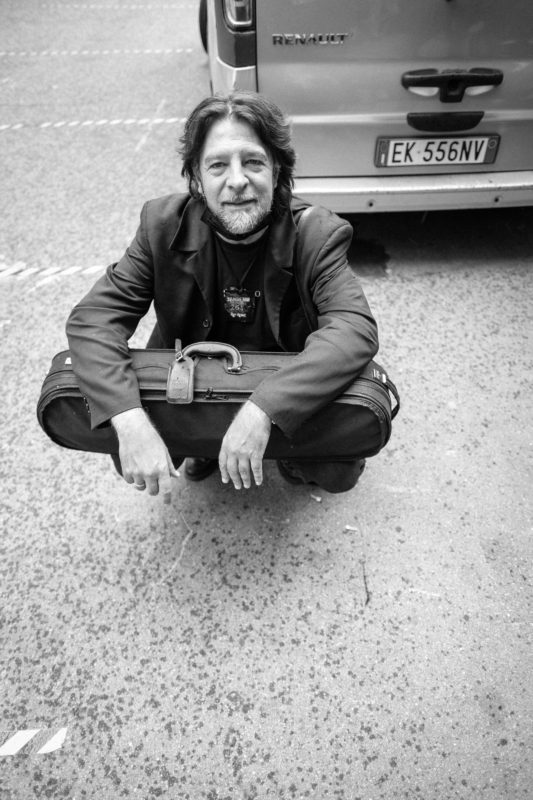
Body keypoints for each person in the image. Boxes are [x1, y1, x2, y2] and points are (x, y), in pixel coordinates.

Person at [66, 91, 379, 503]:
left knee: (337, 470)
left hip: (282, 377)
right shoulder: (160, 225)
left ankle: (285, 452)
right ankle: (205, 444)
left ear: (277, 170)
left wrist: (265, 410)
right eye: (217, 165)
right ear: (196, 178)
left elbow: (354, 330)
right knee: (123, 442)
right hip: (193, 379)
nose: (237, 181)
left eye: (253, 162)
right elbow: (93, 320)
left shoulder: (316, 234)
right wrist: (129, 420)